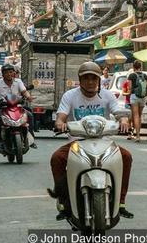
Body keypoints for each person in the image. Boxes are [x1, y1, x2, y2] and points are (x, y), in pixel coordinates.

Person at [48, 62, 133, 220]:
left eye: (93, 78)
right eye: (86, 78)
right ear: (80, 80)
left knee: (126, 157)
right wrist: (60, 123)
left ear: (99, 80)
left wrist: (124, 121)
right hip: (77, 143)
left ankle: (120, 202)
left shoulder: (107, 95)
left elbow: (118, 112)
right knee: (57, 158)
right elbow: (61, 117)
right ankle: (64, 200)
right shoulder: (70, 95)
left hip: (105, 142)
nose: (90, 82)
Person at [0, 64, 36, 151]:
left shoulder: (18, 82)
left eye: (11, 72)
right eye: (6, 72)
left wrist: (29, 97)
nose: (9, 74)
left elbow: (24, 91)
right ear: (3, 74)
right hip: (3, 107)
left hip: (17, 106)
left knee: (29, 114)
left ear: (14, 73)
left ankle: (31, 138)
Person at [125, 61, 147, 142]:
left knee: (135, 115)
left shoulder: (132, 75)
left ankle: (137, 135)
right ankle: (138, 133)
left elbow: (130, 88)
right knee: (139, 115)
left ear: (133, 67)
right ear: (140, 67)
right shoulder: (145, 75)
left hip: (134, 96)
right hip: (143, 97)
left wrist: (127, 93)